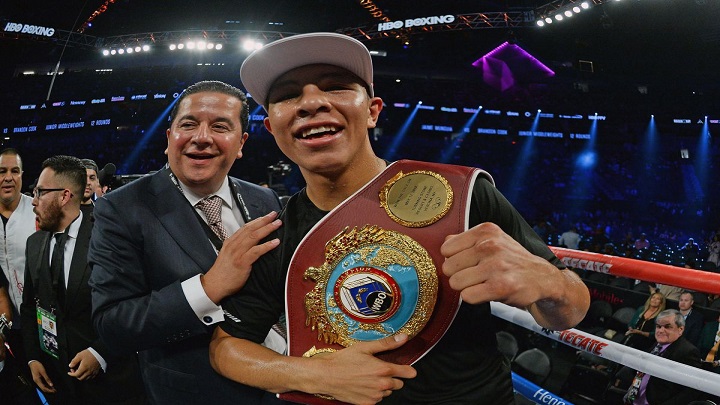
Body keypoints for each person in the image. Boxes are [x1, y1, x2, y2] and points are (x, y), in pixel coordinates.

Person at [209, 32, 590, 404]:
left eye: (336, 86)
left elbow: (570, 310)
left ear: (372, 111)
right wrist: (310, 374)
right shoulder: (276, 233)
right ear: (272, 127)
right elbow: (226, 348)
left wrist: (551, 285)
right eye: (288, 95)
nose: (312, 102)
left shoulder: (461, 194)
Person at [88, 80, 285, 404]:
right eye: (188, 124)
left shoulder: (264, 199)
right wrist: (208, 288)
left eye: (220, 126)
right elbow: (113, 325)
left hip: (285, 379)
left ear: (241, 143)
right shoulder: (122, 208)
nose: (202, 137)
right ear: (169, 138)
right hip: (200, 393)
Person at [20, 155, 145, 404]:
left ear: (64, 196)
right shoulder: (34, 243)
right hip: (58, 382)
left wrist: (101, 352)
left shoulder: (109, 237)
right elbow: (29, 307)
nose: (33, 201)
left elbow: (135, 304)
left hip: (111, 384)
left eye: (40, 192)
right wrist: (33, 357)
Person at [0, 148, 38, 387]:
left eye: (14, 171)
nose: (8, 177)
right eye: (2, 171)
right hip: (6, 324)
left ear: (22, 175)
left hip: (41, 319)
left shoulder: (37, 210)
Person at [622, 309, 701, 404]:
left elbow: (691, 391)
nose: (661, 330)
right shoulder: (657, 344)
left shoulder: (688, 351)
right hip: (633, 399)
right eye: (658, 326)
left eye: (668, 327)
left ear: (680, 329)